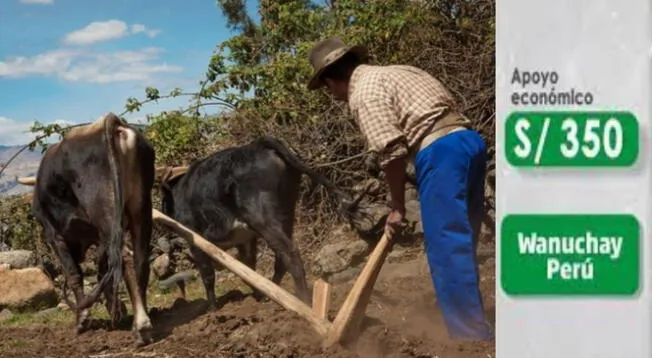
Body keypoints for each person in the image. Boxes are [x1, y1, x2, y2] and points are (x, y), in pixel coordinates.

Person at [306, 37, 494, 341]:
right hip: (468, 143)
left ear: (331, 81)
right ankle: (475, 323)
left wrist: (396, 206)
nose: (333, 95)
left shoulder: (363, 94)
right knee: (463, 239)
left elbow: (391, 154)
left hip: (440, 152)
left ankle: (469, 339)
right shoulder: (398, 71)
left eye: (328, 89)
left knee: (446, 247)